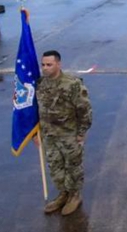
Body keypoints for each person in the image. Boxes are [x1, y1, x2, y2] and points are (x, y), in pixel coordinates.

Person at [38, 50, 92, 216]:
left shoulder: (72, 84)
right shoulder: (40, 83)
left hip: (68, 134)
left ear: (58, 64)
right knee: (55, 166)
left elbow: (84, 110)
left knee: (73, 167)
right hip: (49, 135)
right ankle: (63, 194)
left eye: (49, 65)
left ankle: (74, 196)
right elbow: (37, 109)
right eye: (43, 65)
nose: (45, 68)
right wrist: (37, 132)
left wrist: (81, 132)